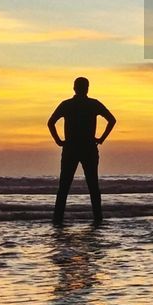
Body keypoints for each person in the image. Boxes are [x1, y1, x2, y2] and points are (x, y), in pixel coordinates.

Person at [48, 77, 115, 224]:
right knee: (93, 186)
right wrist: (101, 138)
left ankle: (57, 220)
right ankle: (98, 219)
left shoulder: (67, 105)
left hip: (71, 148)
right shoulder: (93, 104)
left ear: (74, 88)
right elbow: (112, 120)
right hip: (88, 148)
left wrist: (59, 141)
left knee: (64, 186)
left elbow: (51, 122)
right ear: (87, 88)